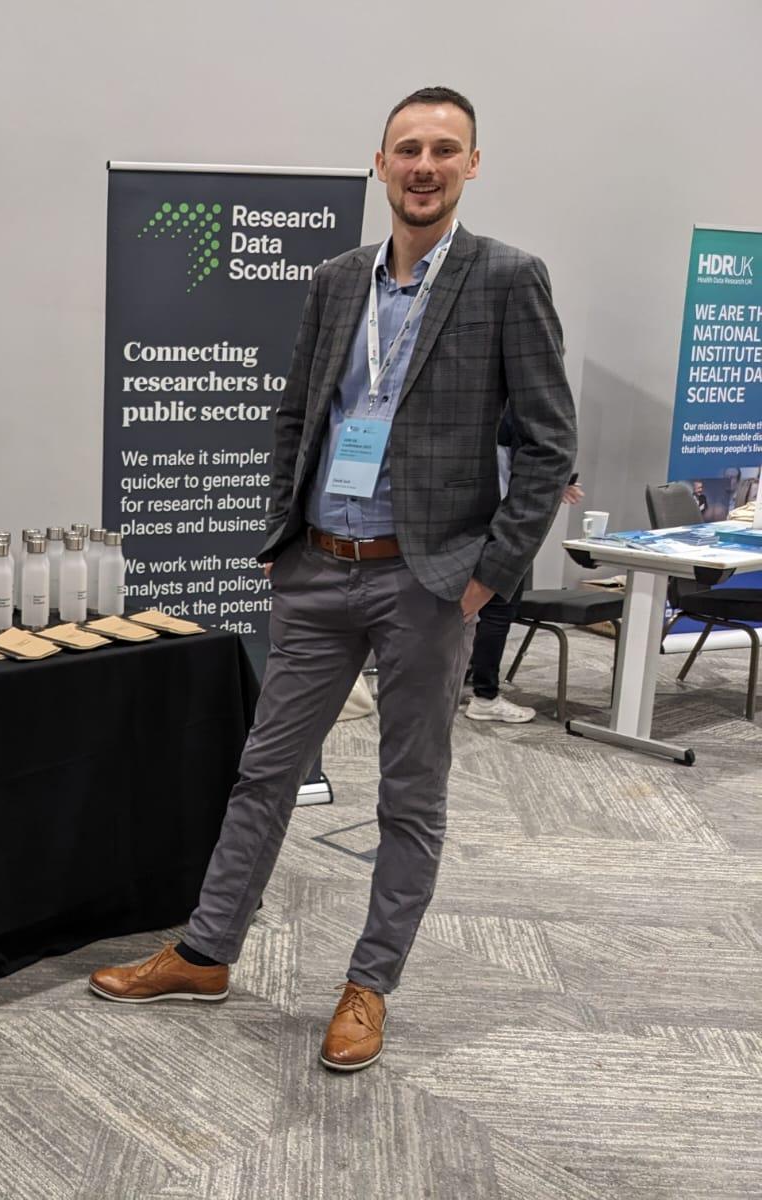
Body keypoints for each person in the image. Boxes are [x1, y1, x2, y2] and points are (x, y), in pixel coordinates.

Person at [89, 87, 576, 1073]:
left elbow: (548, 444)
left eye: (444, 149)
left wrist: (486, 579)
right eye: (408, 148)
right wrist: (282, 537)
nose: (424, 165)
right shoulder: (336, 279)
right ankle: (205, 950)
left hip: (427, 584)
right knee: (264, 772)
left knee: (409, 795)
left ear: (471, 165)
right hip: (317, 567)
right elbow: (291, 415)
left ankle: (370, 983)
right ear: (379, 164)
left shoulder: (508, 279)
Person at [464, 439, 585, 723]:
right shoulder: (515, 413)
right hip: (504, 521)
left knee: (481, 610)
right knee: (498, 609)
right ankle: (485, 697)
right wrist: (554, 484)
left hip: (478, 516)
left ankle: (470, 683)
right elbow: (535, 457)